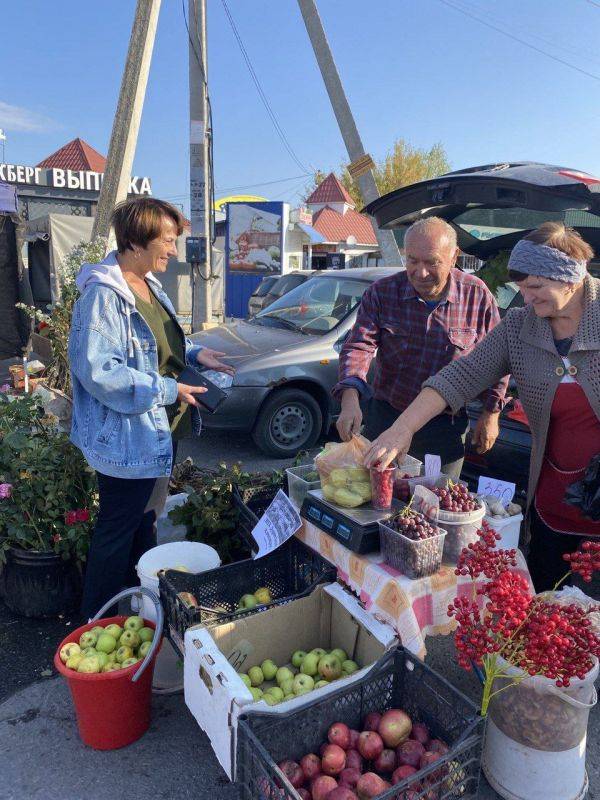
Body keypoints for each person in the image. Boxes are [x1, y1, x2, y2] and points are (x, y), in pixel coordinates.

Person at [364, 222, 600, 592]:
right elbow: (459, 376)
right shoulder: (521, 326)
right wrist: (402, 428)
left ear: (569, 279)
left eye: (535, 288)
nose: (525, 298)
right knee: (545, 603)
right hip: (553, 498)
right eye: (520, 289)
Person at [69, 197, 234, 618]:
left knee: (145, 522)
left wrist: (196, 355)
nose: (175, 251)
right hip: (129, 438)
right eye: (168, 241)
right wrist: (168, 390)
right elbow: (100, 371)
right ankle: (96, 622)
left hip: (161, 432)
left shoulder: (148, 284)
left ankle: (137, 608)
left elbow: (156, 346)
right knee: (118, 530)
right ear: (137, 240)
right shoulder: (104, 296)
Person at [334, 217, 508, 480]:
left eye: (432, 262)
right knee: (377, 498)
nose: (421, 272)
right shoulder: (383, 292)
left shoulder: (477, 296)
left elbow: (497, 359)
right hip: (387, 417)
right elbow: (359, 345)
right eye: (413, 261)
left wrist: (491, 412)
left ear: (453, 256)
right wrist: (350, 399)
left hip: (444, 427)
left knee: (436, 505)